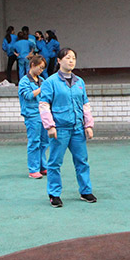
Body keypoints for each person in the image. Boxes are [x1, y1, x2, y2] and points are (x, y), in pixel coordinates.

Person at [39, 48, 96, 207]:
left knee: (82, 161)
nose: (71, 61)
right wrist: (50, 126)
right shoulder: (50, 82)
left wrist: (88, 125)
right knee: (55, 163)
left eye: (73, 58)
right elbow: (44, 105)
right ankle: (54, 194)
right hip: (60, 129)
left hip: (78, 128)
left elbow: (85, 104)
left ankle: (85, 191)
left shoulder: (80, 82)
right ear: (58, 61)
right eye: (67, 58)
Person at [19, 55, 49, 179]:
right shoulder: (24, 81)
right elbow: (28, 96)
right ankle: (33, 169)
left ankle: (43, 166)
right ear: (32, 65)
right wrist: (41, 89)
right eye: (40, 67)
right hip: (31, 115)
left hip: (43, 114)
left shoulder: (42, 80)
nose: (41, 70)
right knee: (34, 142)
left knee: (44, 142)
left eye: (43, 68)